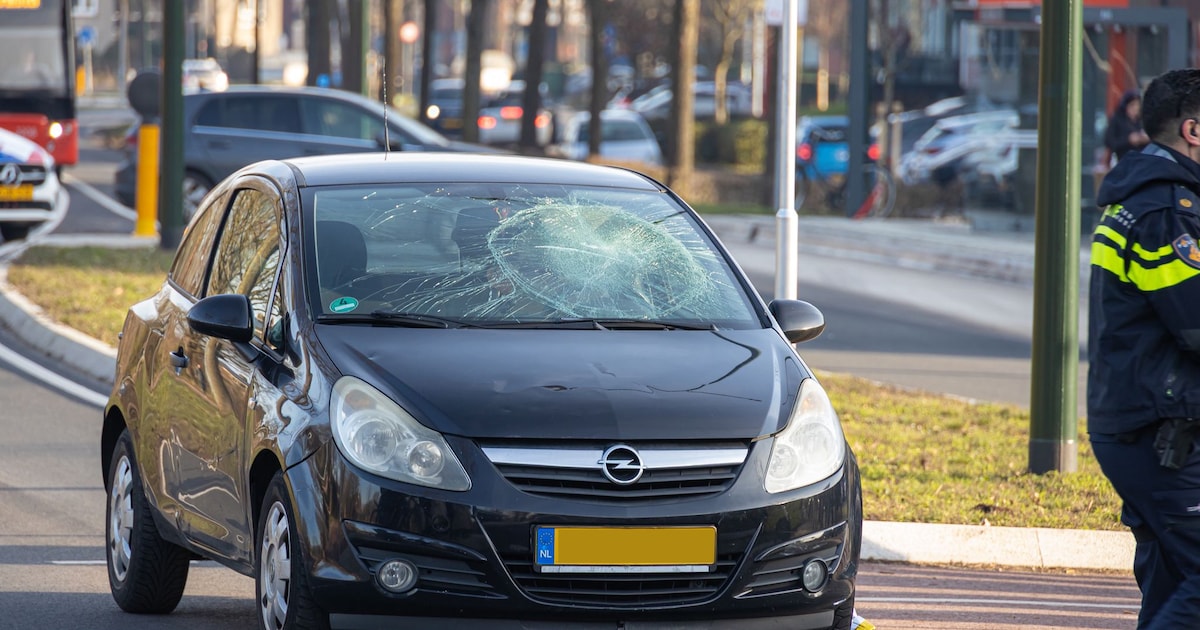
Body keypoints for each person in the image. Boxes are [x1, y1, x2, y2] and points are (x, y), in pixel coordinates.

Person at [1090, 68, 1200, 628]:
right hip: (1161, 430)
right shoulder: (1166, 211)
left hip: (1145, 424)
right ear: (1193, 130)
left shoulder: (1143, 196)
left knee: (1172, 580)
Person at [1104, 89, 1151, 163]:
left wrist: (1146, 139)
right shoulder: (1118, 120)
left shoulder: (1142, 121)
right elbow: (1110, 141)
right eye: (1132, 105)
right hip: (1123, 161)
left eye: (1137, 105)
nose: (1136, 108)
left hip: (1142, 161)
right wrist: (1128, 140)